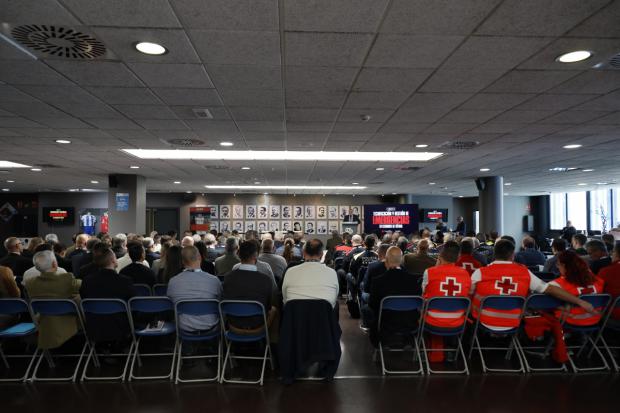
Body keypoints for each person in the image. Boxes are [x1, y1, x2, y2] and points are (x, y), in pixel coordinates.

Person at [470, 240, 594, 332]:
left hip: (484, 320)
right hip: (514, 321)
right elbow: (550, 289)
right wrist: (579, 301)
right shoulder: (524, 272)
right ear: (513, 255)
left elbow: (468, 293)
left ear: (494, 254)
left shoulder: (480, 272)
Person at [24, 250, 81, 350]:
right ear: (55, 263)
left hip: (43, 322)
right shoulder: (67, 278)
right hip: (68, 321)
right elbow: (81, 286)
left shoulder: (29, 283)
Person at [80, 249, 136, 346]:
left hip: (94, 327)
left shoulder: (86, 281)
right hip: (121, 327)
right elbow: (134, 304)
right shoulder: (125, 281)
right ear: (113, 261)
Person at [368, 247, 421, 347]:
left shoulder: (378, 281)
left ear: (386, 260)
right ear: (401, 260)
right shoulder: (414, 280)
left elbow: (372, 305)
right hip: (411, 324)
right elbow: (418, 302)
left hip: (386, 324)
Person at [223, 241, 276, 336]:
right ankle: (271, 344)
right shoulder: (265, 280)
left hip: (233, 326)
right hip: (258, 327)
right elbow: (268, 306)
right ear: (256, 256)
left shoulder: (228, 278)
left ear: (238, 255)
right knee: (274, 309)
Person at [167, 246, 222, 333]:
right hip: (211, 325)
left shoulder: (173, 281)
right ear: (200, 257)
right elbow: (219, 302)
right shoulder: (214, 280)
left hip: (183, 327)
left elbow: (171, 303)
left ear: (182, 261)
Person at [422, 241, 471, 327]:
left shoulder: (429, 272)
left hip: (432, 319)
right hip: (457, 319)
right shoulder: (466, 274)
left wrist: (436, 266)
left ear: (440, 256)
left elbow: (424, 291)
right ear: (458, 257)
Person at [282, 239, 339, 307]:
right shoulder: (332, 273)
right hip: (323, 316)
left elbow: (285, 299)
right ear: (321, 254)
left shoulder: (290, 272)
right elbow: (335, 298)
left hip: (295, 315)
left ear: (304, 253)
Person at [599, 244, 620, 322]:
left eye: (613, 252)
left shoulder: (606, 271)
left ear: (617, 253)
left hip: (612, 314)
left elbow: (597, 292)